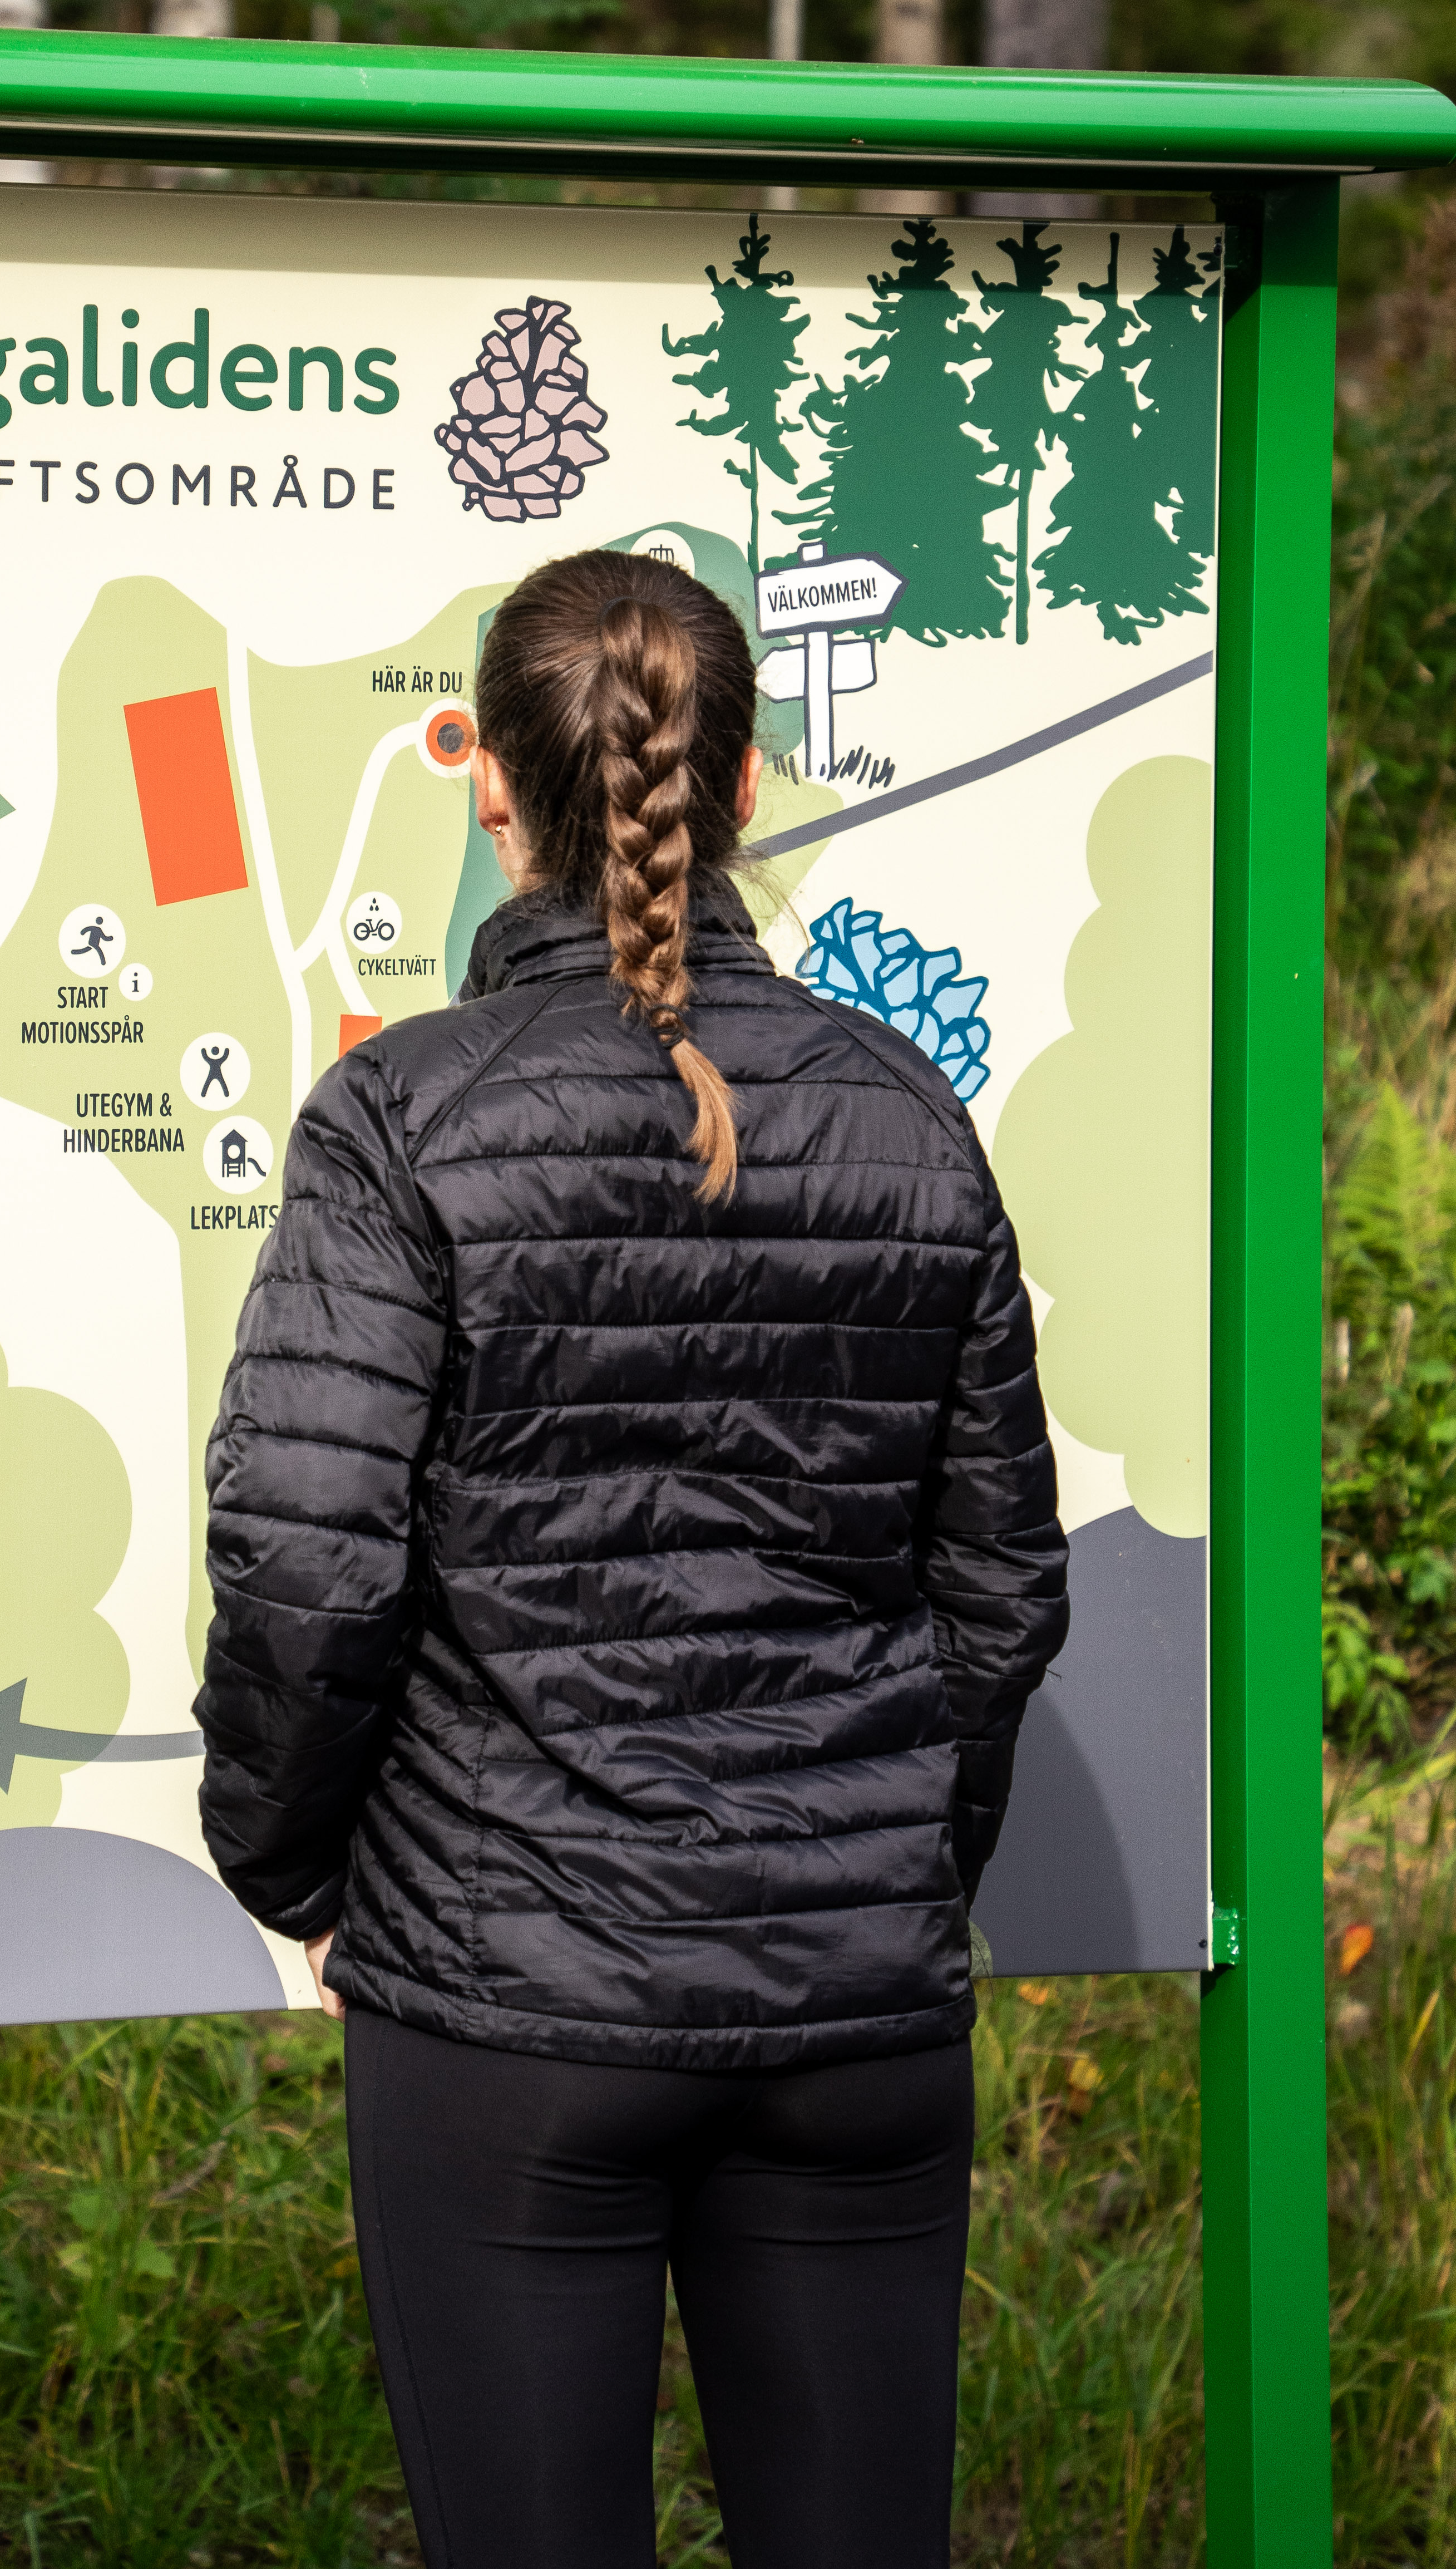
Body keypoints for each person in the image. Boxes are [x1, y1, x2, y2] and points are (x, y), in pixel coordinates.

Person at [195, 548, 1068, 2569]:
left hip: (507, 2014)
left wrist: (297, 1868)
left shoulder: (401, 1123)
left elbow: (313, 1565)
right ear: (745, 783)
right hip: (857, 2020)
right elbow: (1003, 1587)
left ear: (493, 791)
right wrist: (879, 1864)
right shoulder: (910, 1120)